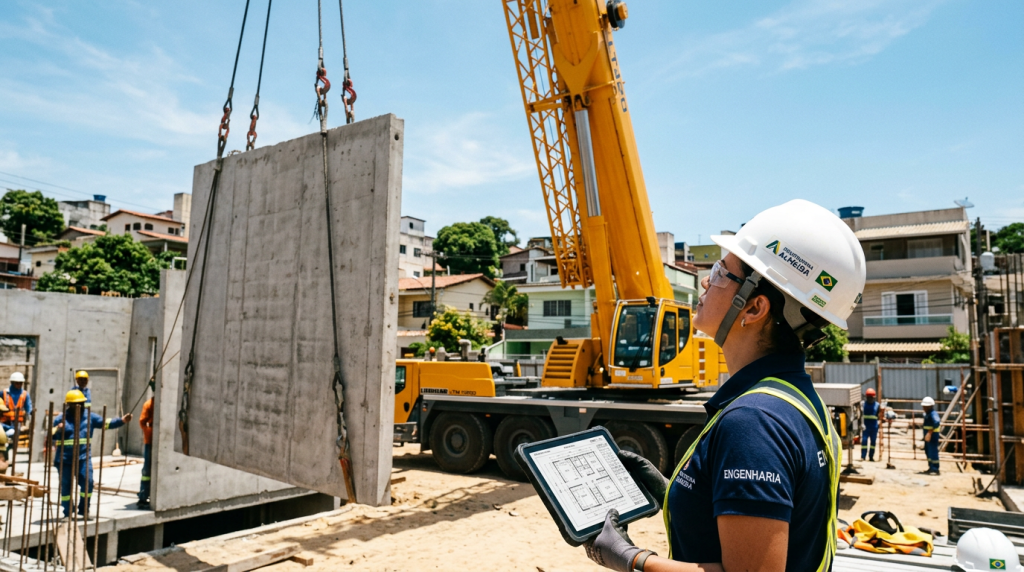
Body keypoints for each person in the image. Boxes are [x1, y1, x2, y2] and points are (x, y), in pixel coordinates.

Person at [585, 199, 864, 572]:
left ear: (753, 309)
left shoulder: (754, 421)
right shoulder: (794, 400)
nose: (706, 279)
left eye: (720, 271)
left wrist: (633, 560)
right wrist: (675, 491)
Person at [52, 389, 132, 517]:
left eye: (81, 403)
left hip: (83, 458)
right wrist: (57, 431)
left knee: (88, 483)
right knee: (66, 486)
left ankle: (84, 508)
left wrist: (122, 420)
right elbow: (51, 436)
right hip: (64, 460)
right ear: (69, 405)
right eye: (76, 404)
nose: (79, 406)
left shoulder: (90, 417)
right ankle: (68, 511)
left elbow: (106, 423)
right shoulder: (60, 419)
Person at [137, 391, 154, 509]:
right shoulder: (149, 404)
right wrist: (150, 433)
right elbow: (142, 422)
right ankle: (143, 496)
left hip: (160, 441)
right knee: (147, 471)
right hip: (150, 442)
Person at [921, 396, 940, 475]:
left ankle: (935, 468)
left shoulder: (933, 414)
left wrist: (929, 432)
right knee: (928, 451)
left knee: (932, 451)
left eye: (924, 406)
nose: (923, 408)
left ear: (929, 406)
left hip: (932, 436)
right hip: (929, 436)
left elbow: (936, 422)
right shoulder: (928, 414)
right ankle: (931, 467)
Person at [861, 388, 881, 462]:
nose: (869, 399)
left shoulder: (877, 405)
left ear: (873, 398)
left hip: (873, 427)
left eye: (871, 397)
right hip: (865, 426)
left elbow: (878, 414)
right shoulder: (863, 404)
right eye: (868, 397)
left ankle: (871, 456)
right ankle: (863, 456)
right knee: (864, 441)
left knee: (873, 442)